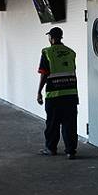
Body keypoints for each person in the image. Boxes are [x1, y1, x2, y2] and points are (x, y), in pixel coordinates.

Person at [36, 26, 78, 159]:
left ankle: (51, 148)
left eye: (49, 36)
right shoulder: (71, 52)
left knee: (52, 123)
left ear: (51, 38)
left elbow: (44, 74)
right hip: (71, 94)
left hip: (54, 95)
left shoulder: (47, 52)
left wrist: (39, 92)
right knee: (70, 124)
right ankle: (70, 151)